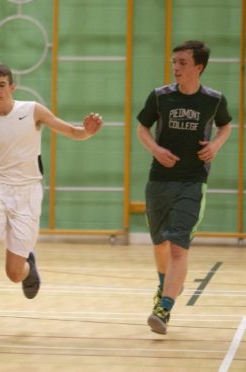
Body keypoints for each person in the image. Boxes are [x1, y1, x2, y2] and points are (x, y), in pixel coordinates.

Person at [0, 64, 103, 337]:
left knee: (13, 273)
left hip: (28, 192)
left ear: (12, 87)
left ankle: (28, 266)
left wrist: (87, 131)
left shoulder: (32, 110)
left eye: (1, 84)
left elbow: (70, 130)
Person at [137, 40, 232, 335]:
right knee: (160, 244)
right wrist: (156, 150)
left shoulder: (214, 100)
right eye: (173, 62)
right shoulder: (160, 97)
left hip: (193, 181)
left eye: (182, 63)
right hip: (159, 181)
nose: (176, 68)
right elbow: (142, 129)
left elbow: (226, 126)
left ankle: (164, 308)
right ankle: (163, 285)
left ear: (198, 67)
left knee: (179, 246)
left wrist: (215, 146)